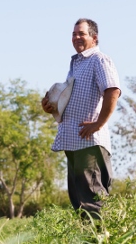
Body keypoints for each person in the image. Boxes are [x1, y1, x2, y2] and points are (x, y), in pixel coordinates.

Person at [42, 18, 121, 218]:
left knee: (93, 200)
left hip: (89, 143)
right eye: (74, 34)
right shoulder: (76, 65)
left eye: (81, 34)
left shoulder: (99, 60)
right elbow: (72, 100)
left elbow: (112, 91)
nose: (76, 37)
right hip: (73, 141)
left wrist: (99, 123)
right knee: (79, 202)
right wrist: (51, 107)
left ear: (94, 38)